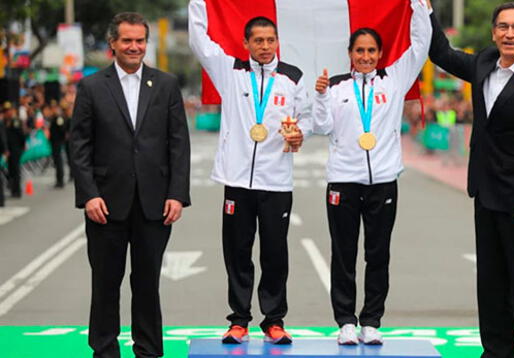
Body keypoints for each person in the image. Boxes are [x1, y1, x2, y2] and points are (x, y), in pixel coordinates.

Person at [428, 2, 514, 357]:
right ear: (493, 33)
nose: (509, 33)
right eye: (503, 27)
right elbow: (440, 52)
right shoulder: (484, 64)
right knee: (490, 284)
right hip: (486, 194)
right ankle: (495, 351)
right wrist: (424, 9)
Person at [189, 0, 309, 345]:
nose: (265, 46)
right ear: (246, 43)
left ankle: (274, 320)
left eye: (270, 40)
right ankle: (239, 319)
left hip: (277, 181)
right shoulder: (230, 71)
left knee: (275, 252)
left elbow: (307, 119)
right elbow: (198, 39)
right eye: (258, 40)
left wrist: (299, 132)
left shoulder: (293, 78)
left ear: (277, 42)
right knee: (237, 251)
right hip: (237, 180)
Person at [70, 12, 190, 358]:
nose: (134, 47)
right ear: (113, 44)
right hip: (105, 205)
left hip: (154, 204)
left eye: (140, 41)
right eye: (127, 40)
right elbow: (79, 146)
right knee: (106, 285)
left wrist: (177, 194)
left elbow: (178, 143)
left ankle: (149, 350)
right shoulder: (92, 86)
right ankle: (104, 350)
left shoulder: (165, 84)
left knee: (147, 284)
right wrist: (89, 195)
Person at [313, 0, 432, 345]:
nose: (365, 56)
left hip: (383, 181)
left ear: (380, 53)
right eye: (359, 50)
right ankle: (346, 322)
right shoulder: (335, 87)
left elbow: (420, 43)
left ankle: (372, 321)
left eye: (371, 51)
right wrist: (320, 97)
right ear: (350, 53)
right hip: (343, 181)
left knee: (378, 253)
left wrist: (421, 7)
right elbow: (321, 127)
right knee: (343, 252)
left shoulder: (395, 79)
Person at [3, 102, 27, 198]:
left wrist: (23, 145)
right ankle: (12, 189)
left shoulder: (15, 121)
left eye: (9, 110)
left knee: (16, 170)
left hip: (16, 148)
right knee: (11, 169)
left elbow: (21, 134)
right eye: (6, 111)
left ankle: (17, 191)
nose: (8, 112)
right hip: (8, 148)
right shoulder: (5, 121)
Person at [46, 100, 69, 188]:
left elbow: (62, 129)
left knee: (59, 161)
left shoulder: (58, 118)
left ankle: (60, 180)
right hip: (54, 141)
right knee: (57, 161)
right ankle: (59, 180)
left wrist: (61, 139)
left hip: (57, 142)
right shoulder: (54, 117)